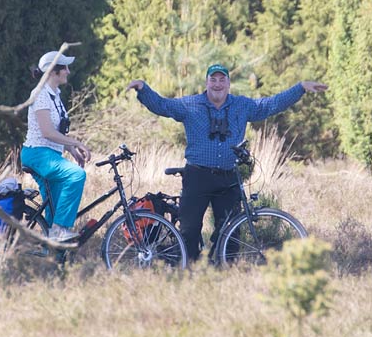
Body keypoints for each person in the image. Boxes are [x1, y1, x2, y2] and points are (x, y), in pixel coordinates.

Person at [126, 64, 328, 261]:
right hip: (197, 176)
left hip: (228, 177)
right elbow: (163, 105)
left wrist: (300, 88)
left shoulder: (241, 105)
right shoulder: (191, 105)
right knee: (189, 230)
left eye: (222, 80)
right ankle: (189, 271)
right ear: (206, 83)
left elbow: (270, 104)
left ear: (229, 83)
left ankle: (226, 271)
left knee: (232, 232)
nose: (217, 84)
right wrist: (143, 89)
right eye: (213, 79)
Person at [21, 51, 92, 242]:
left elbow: (57, 131)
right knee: (76, 175)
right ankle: (60, 229)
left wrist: (71, 149)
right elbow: (47, 132)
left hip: (50, 155)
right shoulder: (40, 94)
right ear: (53, 71)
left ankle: (52, 253)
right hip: (37, 154)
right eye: (65, 68)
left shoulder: (55, 95)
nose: (68, 71)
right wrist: (77, 142)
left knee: (55, 207)